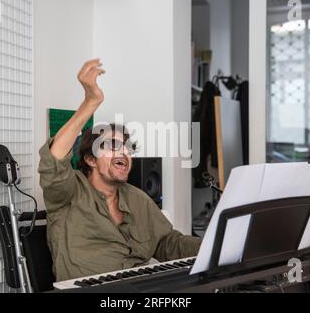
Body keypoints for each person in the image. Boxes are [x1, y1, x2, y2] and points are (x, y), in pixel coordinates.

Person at [38, 59, 202, 282]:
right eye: (112, 146)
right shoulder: (68, 193)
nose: (124, 152)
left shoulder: (137, 199)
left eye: (127, 147)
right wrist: (91, 102)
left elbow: (167, 244)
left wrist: (216, 243)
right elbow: (53, 160)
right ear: (90, 159)